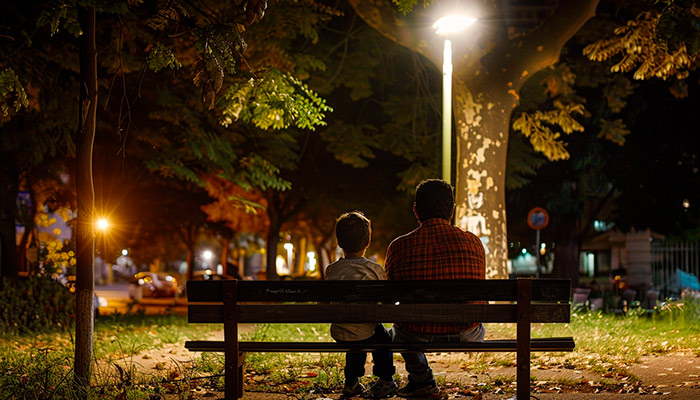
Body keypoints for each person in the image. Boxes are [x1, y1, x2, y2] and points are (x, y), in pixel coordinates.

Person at [385, 179, 486, 399]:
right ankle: (420, 381)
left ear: (416, 211)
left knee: (398, 331)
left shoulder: (399, 247)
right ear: (452, 210)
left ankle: (422, 380)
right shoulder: (474, 243)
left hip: (417, 333)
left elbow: (389, 297)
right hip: (466, 332)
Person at [325, 211, 398, 399]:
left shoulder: (332, 270)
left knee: (355, 332)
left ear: (339, 242)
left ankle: (351, 383)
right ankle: (386, 379)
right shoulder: (374, 270)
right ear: (367, 242)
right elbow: (388, 301)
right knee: (381, 337)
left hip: (340, 331)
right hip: (365, 331)